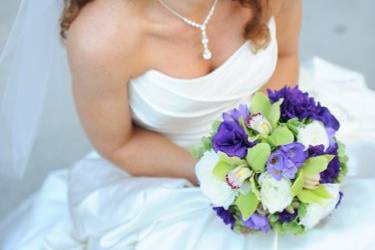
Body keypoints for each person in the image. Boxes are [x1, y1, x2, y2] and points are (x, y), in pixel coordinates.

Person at [1, 0, 375, 249]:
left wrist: (273, 141)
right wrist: (226, 177)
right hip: (169, 167)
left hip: (273, 141)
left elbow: (287, 54)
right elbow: (118, 143)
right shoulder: (102, 38)